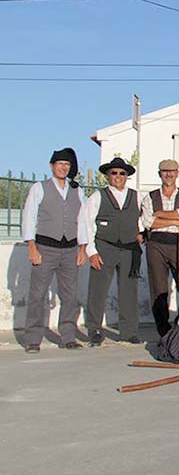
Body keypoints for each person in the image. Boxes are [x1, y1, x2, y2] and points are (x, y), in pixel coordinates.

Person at [22, 147, 88, 353]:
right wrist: (32, 247)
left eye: (67, 164)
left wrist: (83, 248)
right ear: (52, 166)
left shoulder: (77, 190)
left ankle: (67, 337)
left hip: (70, 249)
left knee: (70, 296)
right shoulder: (39, 188)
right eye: (59, 164)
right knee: (37, 295)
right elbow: (29, 217)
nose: (63, 167)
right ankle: (33, 339)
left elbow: (83, 221)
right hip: (45, 248)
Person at [84, 157, 143, 346]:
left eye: (122, 173)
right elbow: (87, 224)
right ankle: (94, 330)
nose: (118, 176)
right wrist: (91, 251)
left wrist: (141, 233)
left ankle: (129, 331)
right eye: (114, 173)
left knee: (129, 290)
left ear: (127, 176)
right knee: (98, 291)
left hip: (128, 248)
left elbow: (143, 218)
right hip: (104, 247)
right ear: (108, 175)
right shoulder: (98, 196)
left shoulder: (136, 196)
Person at [141, 159, 179, 337]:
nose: (168, 174)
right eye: (164, 171)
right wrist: (174, 220)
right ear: (159, 174)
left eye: (172, 171)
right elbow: (148, 222)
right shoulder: (150, 196)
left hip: (178, 241)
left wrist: (160, 216)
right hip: (155, 243)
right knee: (158, 287)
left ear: (177, 173)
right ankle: (163, 330)